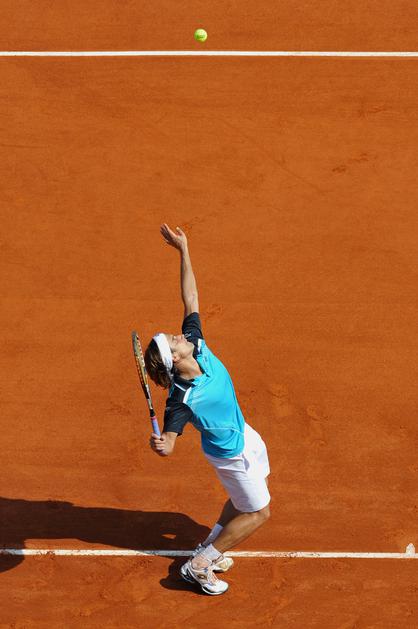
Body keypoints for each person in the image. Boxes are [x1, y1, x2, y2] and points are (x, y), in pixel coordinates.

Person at [144, 223, 271, 596]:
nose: (178, 335)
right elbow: (170, 441)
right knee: (258, 512)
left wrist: (183, 250)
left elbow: (191, 297)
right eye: (173, 341)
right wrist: (163, 445)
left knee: (244, 500)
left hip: (244, 434)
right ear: (174, 358)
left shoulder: (196, 344)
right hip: (230, 455)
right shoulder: (181, 398)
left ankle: (209, 549)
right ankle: (199, 565)